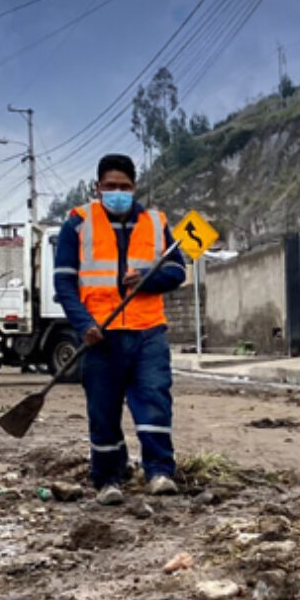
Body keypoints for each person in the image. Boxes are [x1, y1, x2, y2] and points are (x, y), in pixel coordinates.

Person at [52, 153, 187, 504]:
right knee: (103, 410)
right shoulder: (78, 223)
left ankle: (159, 472)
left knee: (155, 402)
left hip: (148, 332)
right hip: (101, 336)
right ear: (97, 188)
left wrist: (147, 278)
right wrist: (84, 325)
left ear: (134, 188)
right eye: (110, 186)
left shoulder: (156, 223)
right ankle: (108, 477)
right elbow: (64, 284)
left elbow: (177, 271)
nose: (117, 192)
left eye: (124, 187)